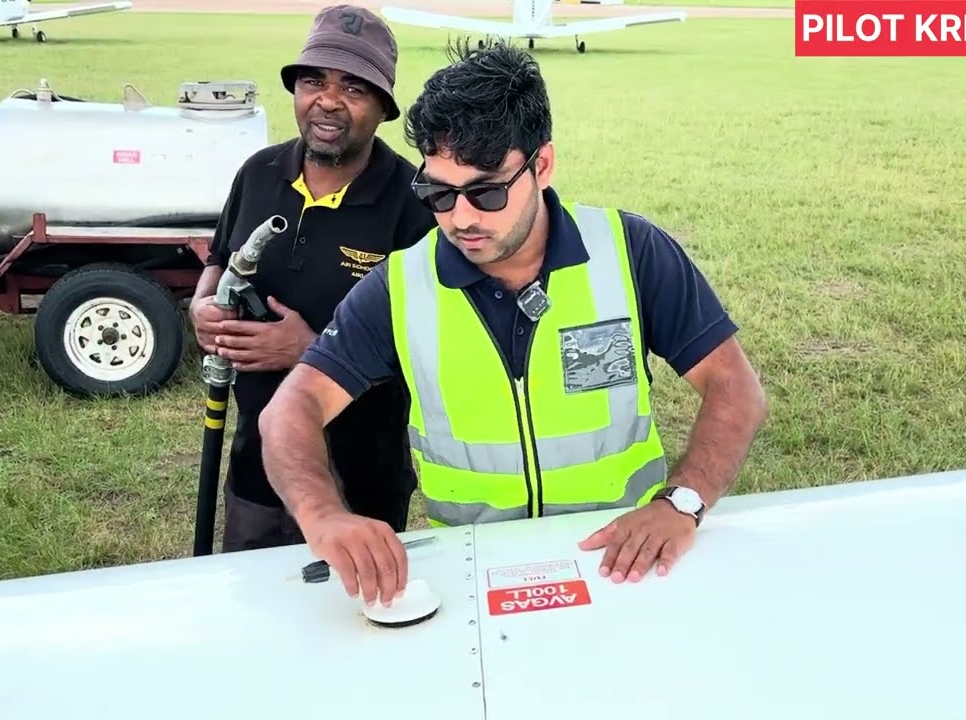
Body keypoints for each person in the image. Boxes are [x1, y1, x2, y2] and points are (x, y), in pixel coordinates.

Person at [258, 39, 768, 605]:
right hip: (477, 575)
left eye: (486, 191)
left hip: (621, 563)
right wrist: (323, 514)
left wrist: (683, 502)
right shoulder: (401, 285)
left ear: (541, 165)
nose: (462, 218)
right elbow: (291, 409)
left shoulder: (631, 251)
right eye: (438, 193)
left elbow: (734, 386)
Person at [189, 5, 437, 553]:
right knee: (252, 591)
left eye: (353, 87)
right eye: (313, 81)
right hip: (257, 465)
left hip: (363, 476)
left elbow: (434, 349)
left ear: (383, 107)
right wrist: (202, 307)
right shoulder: (258, 174)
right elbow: (220, 260)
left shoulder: (414, 204)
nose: (328, 100)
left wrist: (310, 351)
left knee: (355, 595)